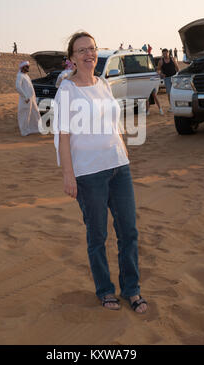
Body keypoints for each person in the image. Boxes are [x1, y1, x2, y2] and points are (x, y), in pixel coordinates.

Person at [53, 31, 147, 314]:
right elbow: (64, 135)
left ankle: (132, 290)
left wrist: (123, 147)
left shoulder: (104, 83)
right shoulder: (66, 91)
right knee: (97, 236)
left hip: (119, 167)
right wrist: (68, 175)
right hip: (89, 174)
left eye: (91, 49)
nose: (88, 54)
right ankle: (105, 291)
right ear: (71, 58)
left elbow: (113, 120)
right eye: (81, 50)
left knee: (128, 231)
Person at [15, 61, 42, 136]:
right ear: (22, 67)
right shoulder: (20, 76)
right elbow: (18, 87)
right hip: (26, 99)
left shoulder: (26, 75)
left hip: (32, 99)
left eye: (28, 67)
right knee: (25, 115)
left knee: (35, 113)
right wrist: (25, 96)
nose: (28, 68)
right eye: (26, 67)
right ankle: (24, 131)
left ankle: (37, 129)